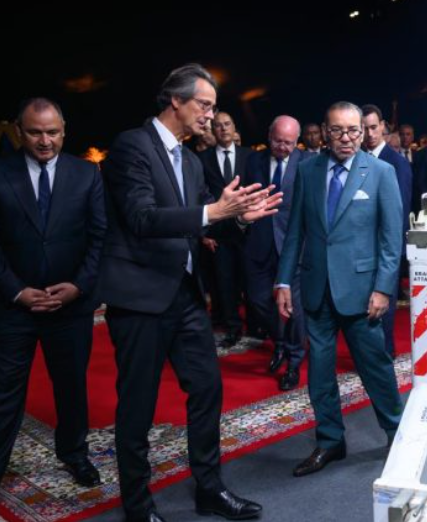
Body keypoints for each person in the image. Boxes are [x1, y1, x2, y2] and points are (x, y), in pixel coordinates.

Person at [98, 63, 278, 522]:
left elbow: (206, 224)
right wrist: (213, 211)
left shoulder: (192, 161)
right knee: (138, 405)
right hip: (139, 298)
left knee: (207, 388)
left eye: (214, 107)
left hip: (186, 296)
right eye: (204, 105)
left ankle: (209, 489)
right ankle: (138, 506)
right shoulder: (131, 146)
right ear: (175, 100)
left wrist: (238, 219)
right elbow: (141, 218)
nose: (210, 115)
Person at [276, 101, 402, 476]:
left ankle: (398, 435)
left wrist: (383, 289)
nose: (345, 138)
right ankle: (330, 441)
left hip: (363, 293)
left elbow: (391, 239)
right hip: (317, 289)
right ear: (325, 132)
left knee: (376, 368)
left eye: (353, 130)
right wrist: (284, 280)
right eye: (337, 130)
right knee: (319, 372)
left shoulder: (381, 172)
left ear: (362, 133)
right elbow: (296, 232)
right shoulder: (308, 170)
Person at [0, 98, 106, 488]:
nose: (45, 141)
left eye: (52, 132)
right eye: (34, 132)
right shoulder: (2, 172)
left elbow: (100, 236)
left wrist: (78, 286)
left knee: (71, 387)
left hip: (70, 307)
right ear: (18, 131)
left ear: (64, 131)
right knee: (5, 390)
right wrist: (16, 292)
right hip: (14, 308)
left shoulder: (87, 173)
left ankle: (75, 454)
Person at [242, 116, 308, 391]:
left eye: (288, 143)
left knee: (293, 308)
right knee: (257, 300)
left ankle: (294, 360)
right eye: (278, 141)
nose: (282, 147)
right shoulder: (253, 161)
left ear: (297, 141)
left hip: (293, 245)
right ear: (269, 136)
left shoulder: (308, 162)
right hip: (259, 241)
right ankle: (278, 341)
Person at [361, 104, 412, 356]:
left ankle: (385, 357)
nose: (370, 134)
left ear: (383, 126)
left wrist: (393, 252)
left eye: (374, 127)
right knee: (364, 307)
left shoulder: (397, 163)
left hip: (385, 248)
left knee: (384, 307)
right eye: (364, 129)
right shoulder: (357, 159)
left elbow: (399, 214)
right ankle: (371, 355)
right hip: (360, 248)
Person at [199, 111, 253, 346]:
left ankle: (255, 324)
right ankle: (232, 328)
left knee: (250, 281)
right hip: (219, 233)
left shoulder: (250, 156)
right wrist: (204, 233)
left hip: (248, 230)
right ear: (213, 130)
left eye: (227, 124)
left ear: (234, 127)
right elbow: (200, 195)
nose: (223, 129)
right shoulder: (203, 159)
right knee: (225, 282)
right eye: (218, 126)